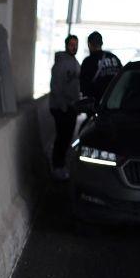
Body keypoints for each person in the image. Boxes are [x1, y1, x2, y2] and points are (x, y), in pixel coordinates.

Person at [49, 34, 81, 179]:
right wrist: (63, 106)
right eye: (71, 44)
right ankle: (57, 166)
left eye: (76, 45)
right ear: (66, 45)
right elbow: (55, 87)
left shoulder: (75, 62)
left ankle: (60, 165)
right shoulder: (61, 63)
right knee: (62, 138)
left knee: (66, 138)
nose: (74, 47)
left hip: (70, 107)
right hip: (62, 108)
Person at [80, 31, 122, 100]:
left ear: (89, 44)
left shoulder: (88, 62)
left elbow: (83, 86)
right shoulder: (114, 58)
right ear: (102, 43)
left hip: (98, 102)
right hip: (115, 100)